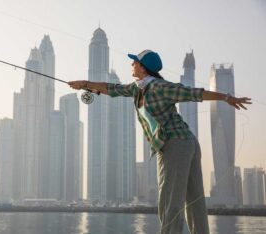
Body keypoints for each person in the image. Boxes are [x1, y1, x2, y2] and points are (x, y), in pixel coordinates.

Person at [68, 50, 252, 234]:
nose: (132, 65)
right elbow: (111, 89)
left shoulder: (160, 87)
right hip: (186, 143)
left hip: (175, 145)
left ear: (142, 67)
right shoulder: (137, 88)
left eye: (135, 62)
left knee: (169, 201)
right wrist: (84, 84)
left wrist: (227, 98)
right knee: (192, 199)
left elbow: (194, 93)